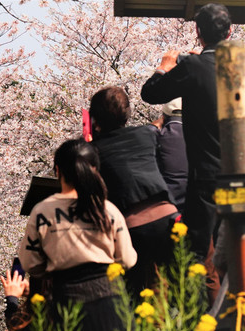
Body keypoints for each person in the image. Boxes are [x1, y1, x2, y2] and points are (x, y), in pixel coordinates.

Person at [3, 138, 137, 331]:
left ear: (56, 170)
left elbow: (31, 264)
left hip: (66, 297)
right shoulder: (106, 209)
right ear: (95, 170)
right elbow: (127, 258)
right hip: (108, 296)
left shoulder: (43, 211)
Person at [140, 4, 230, 299]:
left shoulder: (192, 68)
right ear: (230, 32)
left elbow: (150, 92)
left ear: (198, 32)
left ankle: (201, 329)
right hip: (238, 176)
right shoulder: (239, 66)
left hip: (205, 180)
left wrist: (165, 66)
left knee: (198, 254)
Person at [89, 86, 179, 302]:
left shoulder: (92, 152)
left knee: (131, 294)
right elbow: (158, 123)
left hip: (131, 228)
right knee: (180, 286)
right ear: (127, 113)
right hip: (169, 218)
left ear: (94, 117)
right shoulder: (146, 134)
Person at [148, 98, 188, 212]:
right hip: (193, 197)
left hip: (166, 201)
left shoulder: (158, 135)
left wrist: (152, 127)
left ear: (163, 117)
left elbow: (141, 136)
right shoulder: (197, 133)